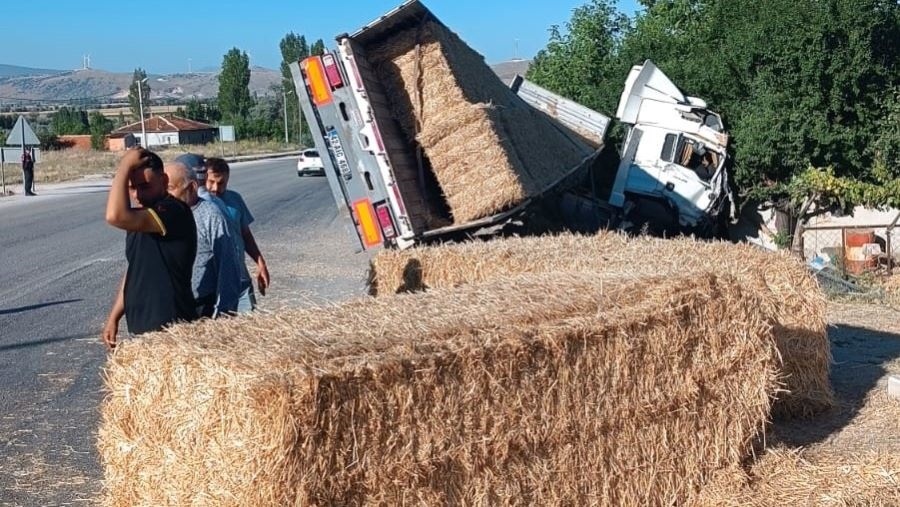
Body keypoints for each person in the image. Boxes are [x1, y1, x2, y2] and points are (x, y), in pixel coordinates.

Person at [102, 149, 198, 350]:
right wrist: (114, 317)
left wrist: (124, 167)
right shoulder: (141, 218)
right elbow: (135, 270)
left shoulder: (173, 211)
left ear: (164, 181)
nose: (137, 195)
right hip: (142, 329)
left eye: (144, 186)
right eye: (131, 188)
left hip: (172, 329)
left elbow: (114, 216)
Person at [164, 160, 242, 318]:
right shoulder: (165, 214)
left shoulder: (210, 215)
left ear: (192, 187)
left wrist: (225, 310)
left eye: (170, 188)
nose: (165, 195)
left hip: (203, 306)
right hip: (174, 305)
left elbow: (227, 264)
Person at [205, 157, 270, 313]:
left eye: (221, 183)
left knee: (249, 327)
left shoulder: (235, 199)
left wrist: (260, 263)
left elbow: (245, 235)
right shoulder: (199, 204)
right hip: (213, 285)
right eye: (211, 182)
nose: (215, 188)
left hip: (240, 280)